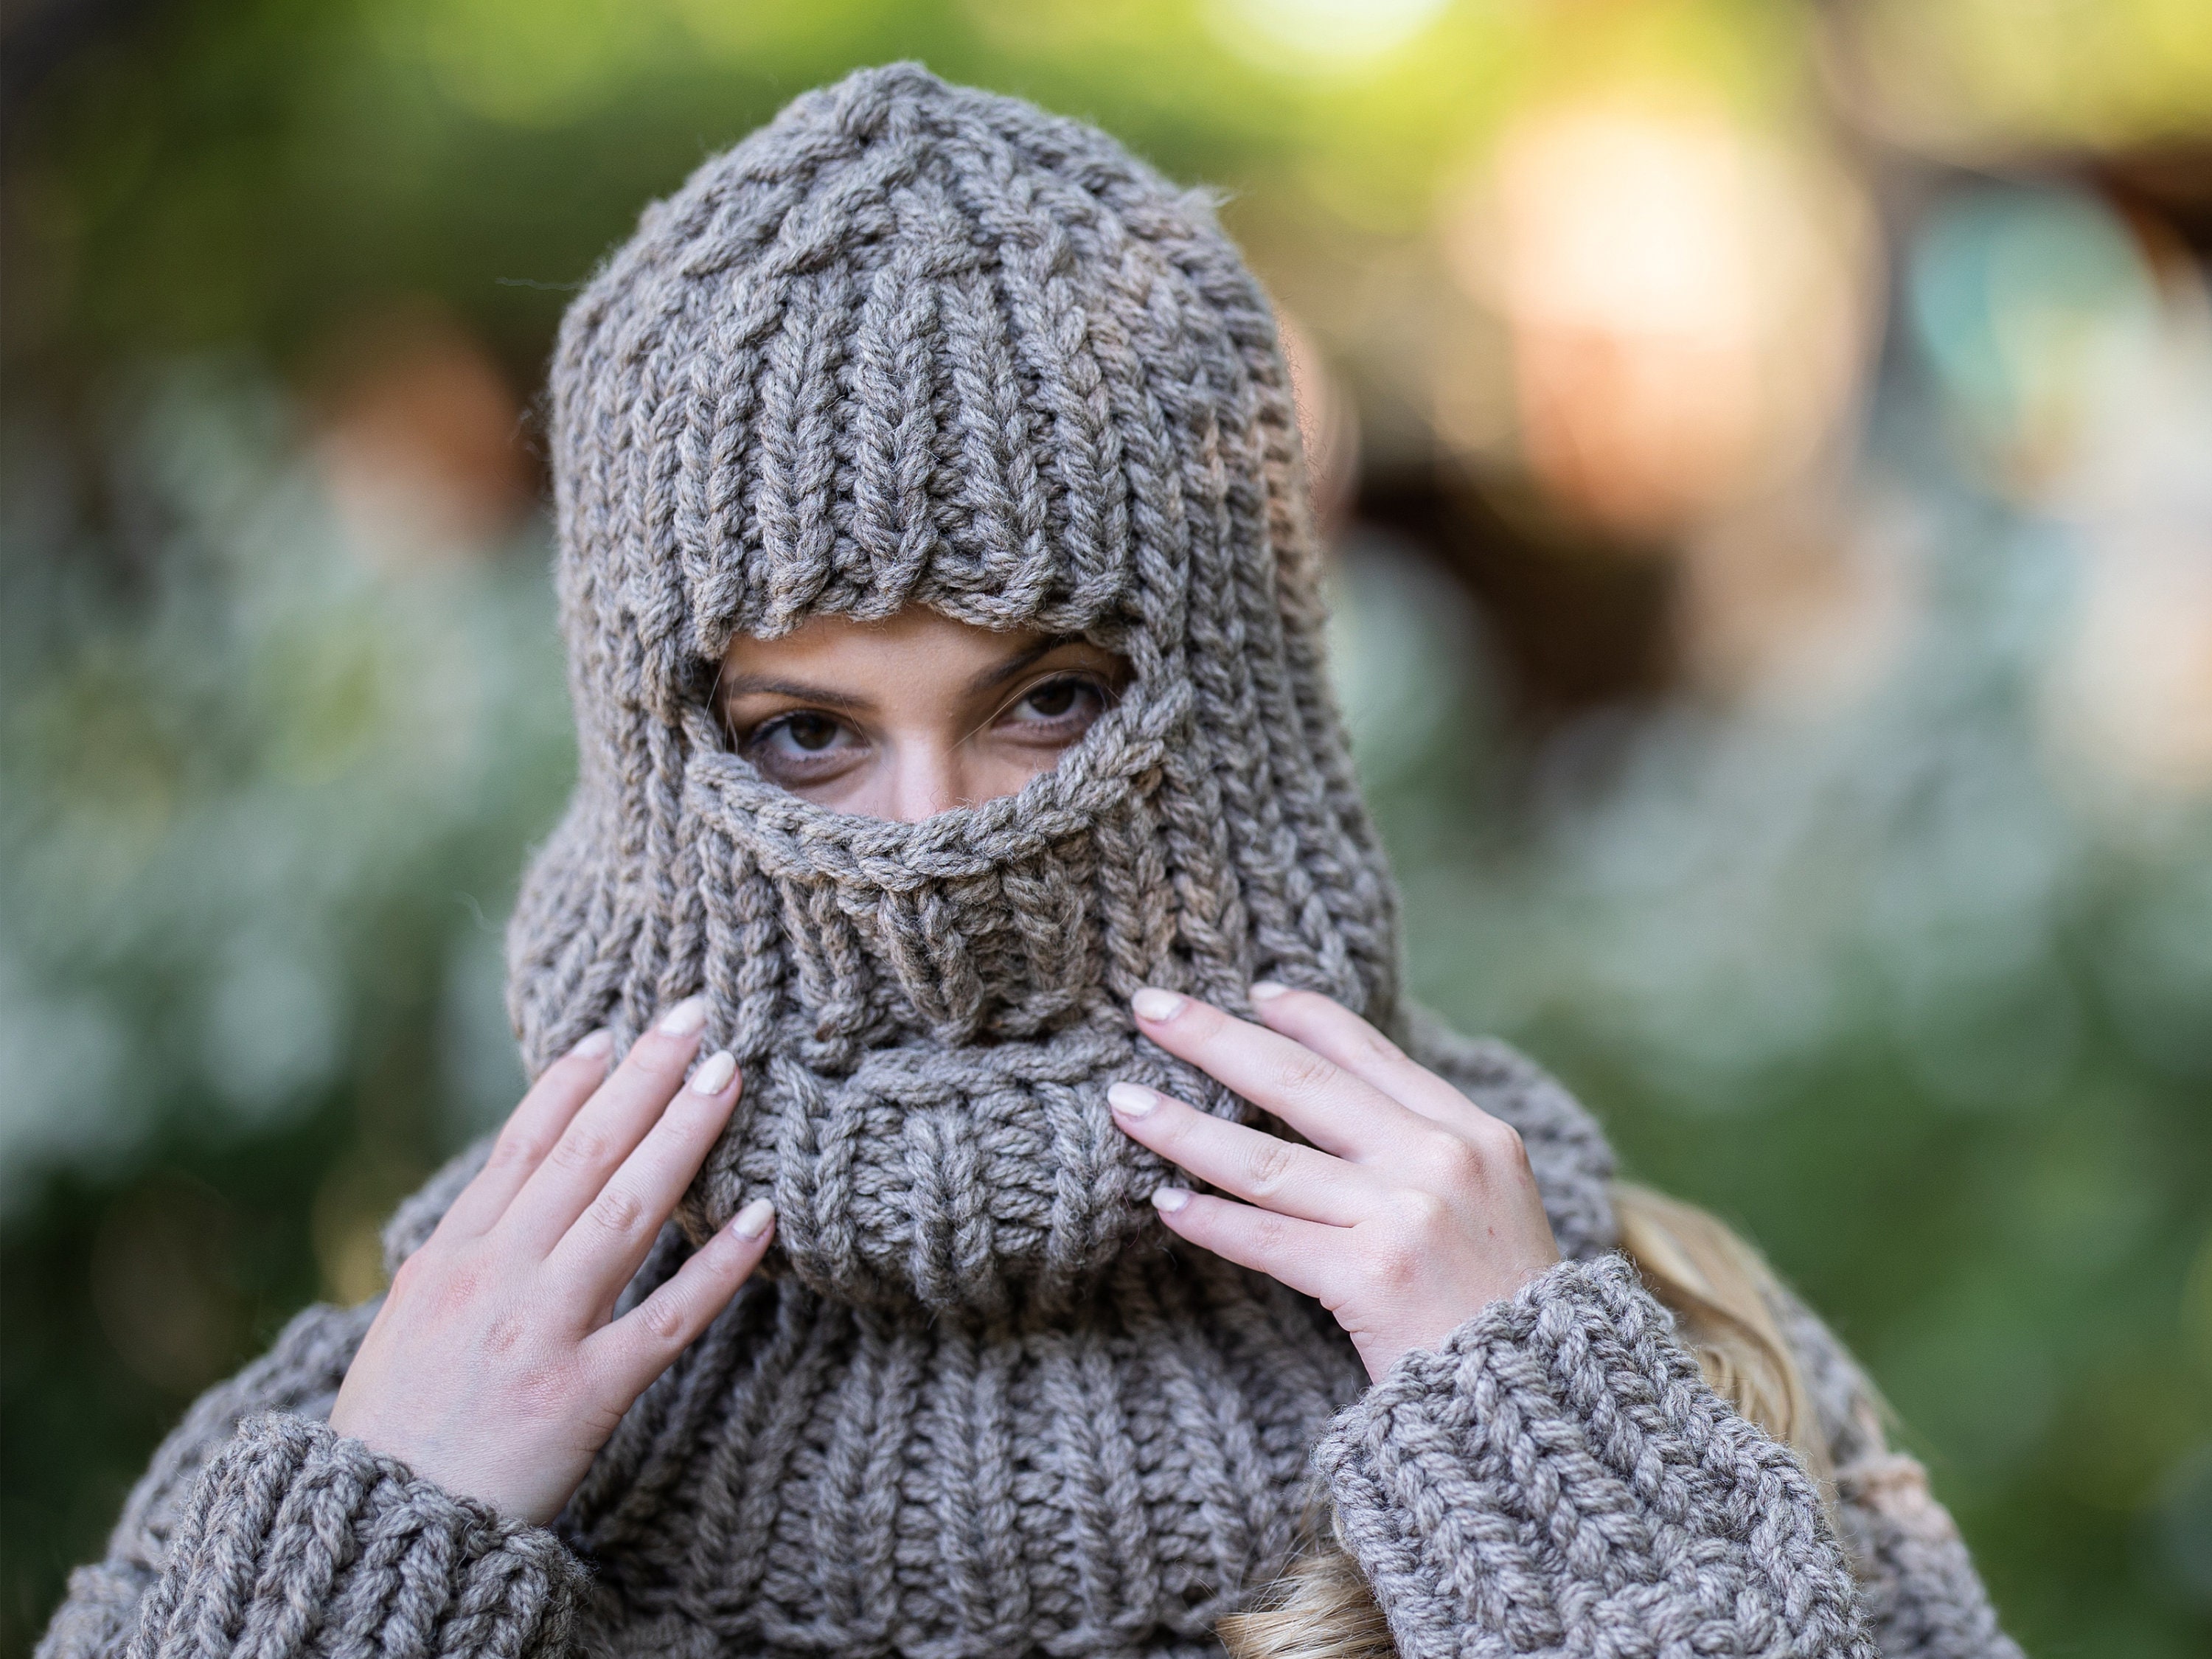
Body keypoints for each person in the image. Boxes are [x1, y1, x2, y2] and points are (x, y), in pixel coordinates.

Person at [38, 64, 2023, 1659]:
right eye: (802, 733)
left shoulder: (1615, 1331)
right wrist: (389, 1546)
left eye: (1051, 697)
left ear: (1239, 702)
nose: (937, 841)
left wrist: (1545, 1456)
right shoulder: (424, 1395)